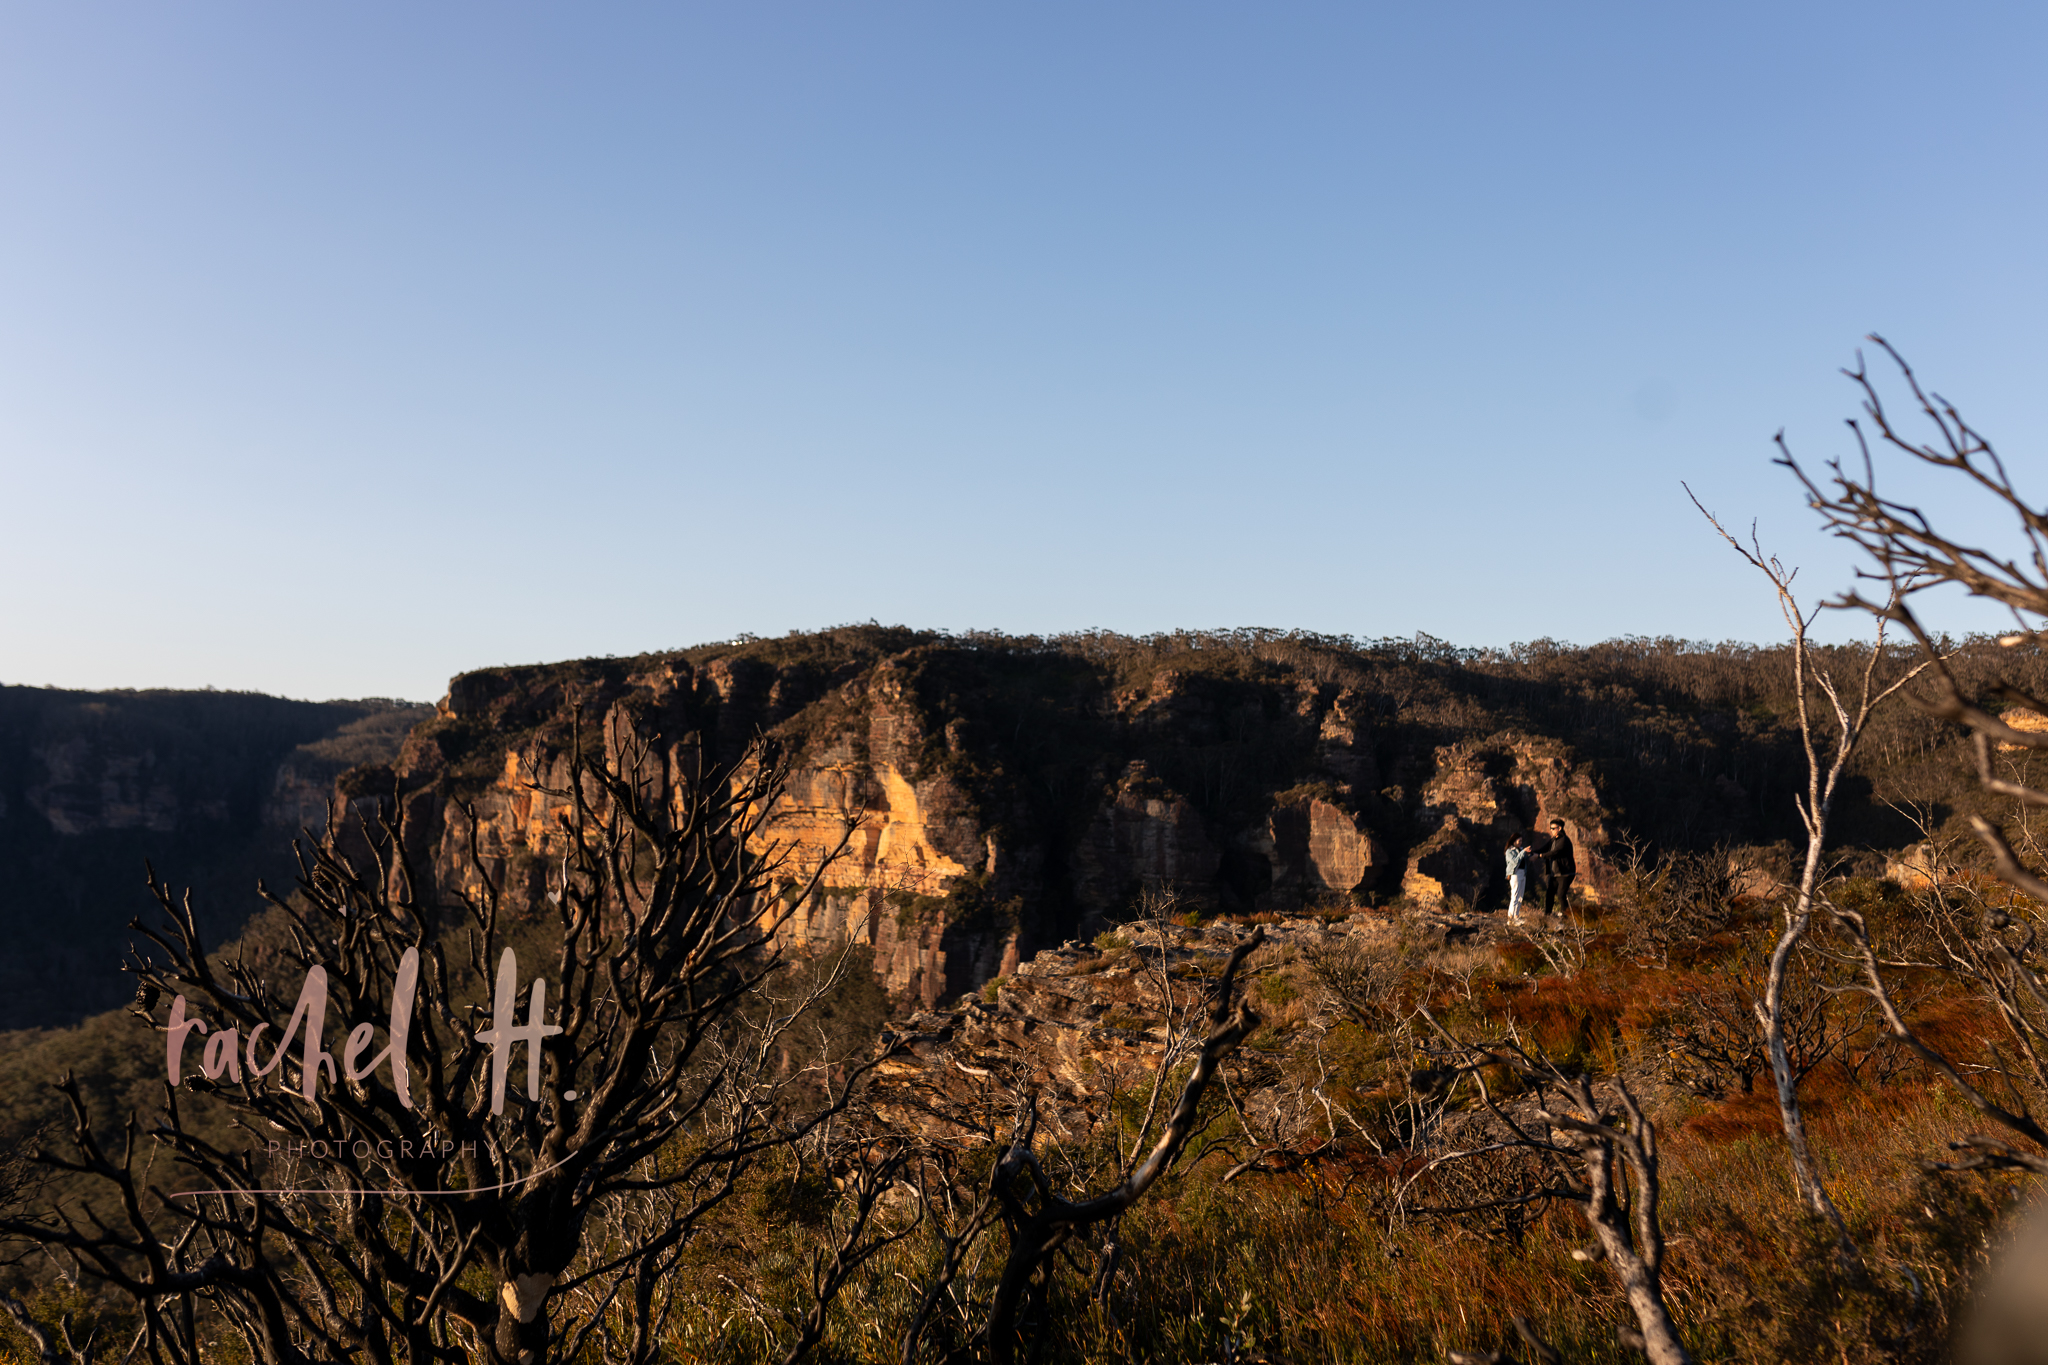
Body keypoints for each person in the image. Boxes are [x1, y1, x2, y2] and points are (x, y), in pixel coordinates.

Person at [1541, 818, 1576, 917]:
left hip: (1565, 873)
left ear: (1559, 828)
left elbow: (1554, 852)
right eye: (1550, 828)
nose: (1551, 830)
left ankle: (1566, 918)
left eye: (1553, 828)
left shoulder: (1564, 840)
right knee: (1549, 894)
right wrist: (1531, 852)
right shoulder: (1553, 840)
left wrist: (1539, 856)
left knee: (1561, 895)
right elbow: (1543, 849)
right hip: (1554, 873)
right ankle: (1547, 916)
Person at [1503, 835, 1531, 924]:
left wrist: (1528, 853)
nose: (1520, 843)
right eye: (1519, 841)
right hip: (1515, 873)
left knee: (1520, 896)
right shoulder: (1509, 851)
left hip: (1523, 873)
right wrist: (1523, 852)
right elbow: (1515, 861)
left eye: (1521, 841)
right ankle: (1510, 917)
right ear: (1513, 841)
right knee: (1515, 894)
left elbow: (1525, 860)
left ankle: (1516, 915)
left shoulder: (1521, 850)